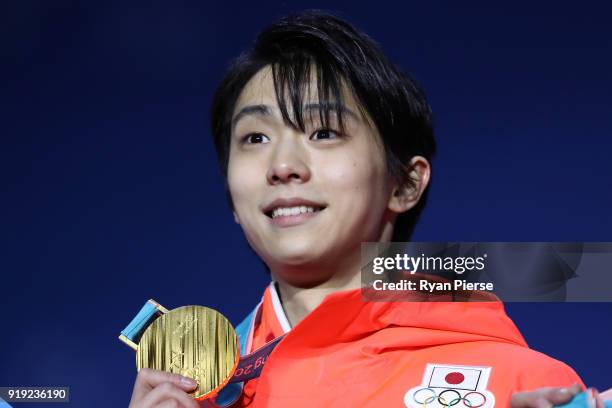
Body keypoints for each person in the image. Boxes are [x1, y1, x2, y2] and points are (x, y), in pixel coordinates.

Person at [129, 10, 606, 408]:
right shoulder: (195, 394)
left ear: (404, 183)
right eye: (255, 138)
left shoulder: (521, 384)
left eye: (324, 133)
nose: (282, 165)